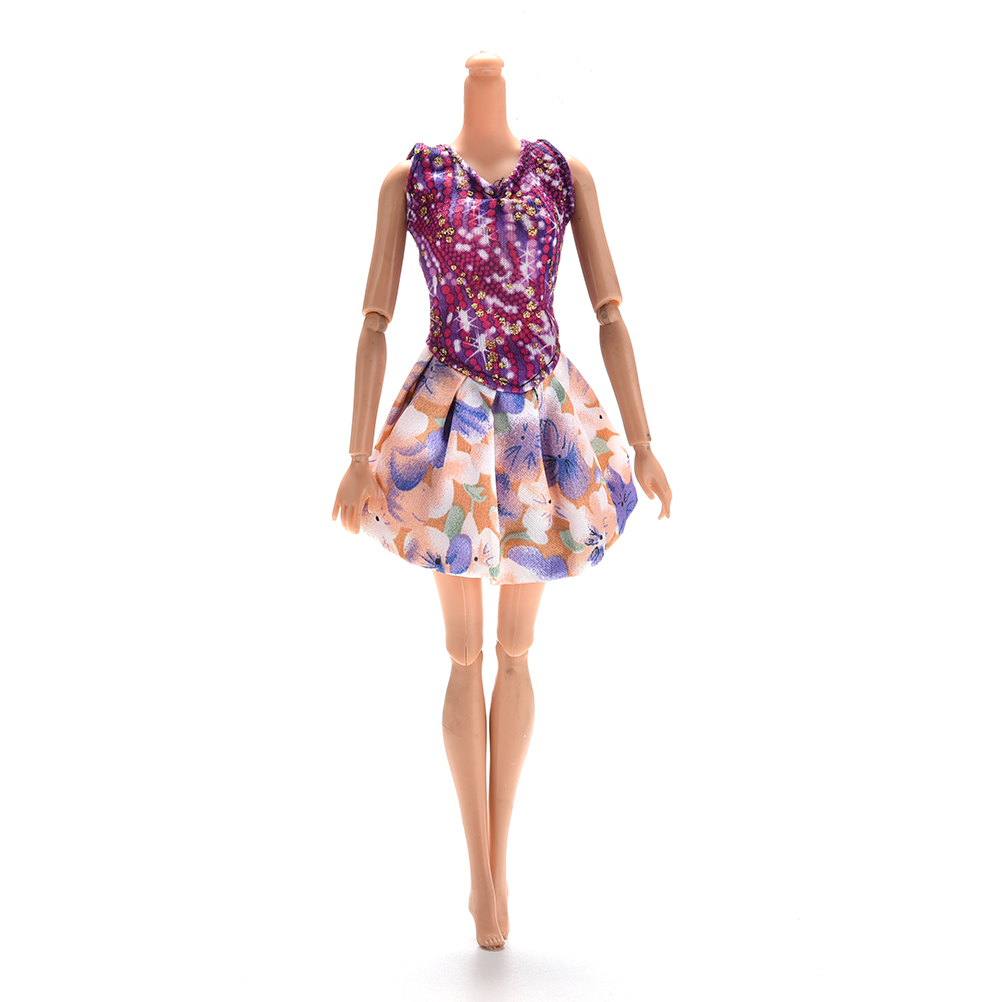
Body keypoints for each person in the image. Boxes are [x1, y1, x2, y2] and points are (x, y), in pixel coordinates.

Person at [332, 51, 672, 950]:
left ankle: (499, 866)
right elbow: (372, 320)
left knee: (515, 652)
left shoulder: (563, 175)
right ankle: (479, 879)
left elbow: (610, 313)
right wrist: (357, 453)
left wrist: (642, 444)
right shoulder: (413, 180)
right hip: (450, 425)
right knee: (463, 653)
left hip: (538, 428)